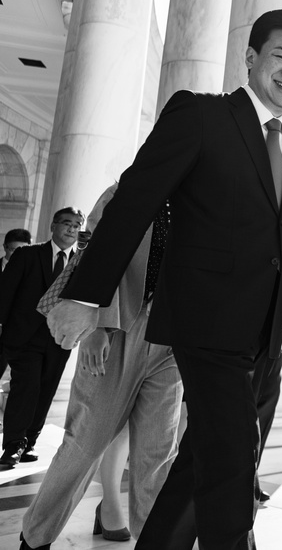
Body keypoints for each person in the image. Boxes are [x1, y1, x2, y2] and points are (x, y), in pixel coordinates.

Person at [46, 7, 282, 550]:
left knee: (204, 458)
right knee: (232, 464)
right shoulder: (199, 116)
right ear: (251, 58)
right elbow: (135, 203)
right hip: (204, 323)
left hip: (266, 336)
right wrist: (84, 295)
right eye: (281, 56)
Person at [18, 184, 183, 550]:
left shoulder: (204, 192)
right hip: (117, 326)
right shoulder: (129, 186)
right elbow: (94, 252)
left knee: (157, 454)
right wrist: (96, 325)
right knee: (85, 445)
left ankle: (152, 542)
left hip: (172, 335)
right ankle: (34, 538)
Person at [0, 207, 84, 469]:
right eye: (66, 223)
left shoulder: (83, 262)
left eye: (77, 225)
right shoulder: (27, 254)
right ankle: (13, 446)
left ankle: (29, 443)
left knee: (46, 390)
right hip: (25, 337)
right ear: (53, 226)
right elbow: (5, 293)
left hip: (59, 338)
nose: (71, 229)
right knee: (26, 388)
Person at [0, 228, 33, 384]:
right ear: (5, 247)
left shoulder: (33, 275)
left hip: (17, 333)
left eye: (22, 250)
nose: (17, 255)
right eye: (13, 250)